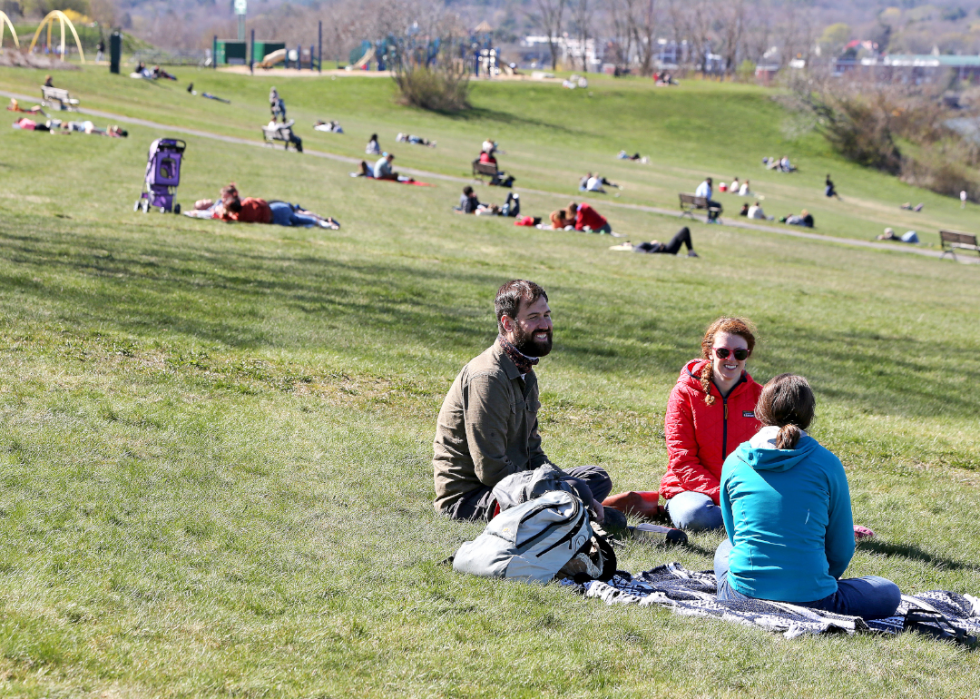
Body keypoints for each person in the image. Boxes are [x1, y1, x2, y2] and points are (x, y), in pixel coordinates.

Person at [714, 374, 901, 620]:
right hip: (815, 599)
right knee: (888, 592)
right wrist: (815, 582)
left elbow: (735, 534)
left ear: (759, 411)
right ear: (809, 415)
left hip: (741, 596)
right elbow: (842, 548)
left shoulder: (734, 462)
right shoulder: (827, 463)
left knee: (724, 549)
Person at [432, 280, 614, 522]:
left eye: (547, 315)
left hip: (514, 483)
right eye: (534, 317)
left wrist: (560, 483)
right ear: (508, 323)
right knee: (581, 493)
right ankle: (579, 511)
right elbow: (490, 469)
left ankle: (576, 510)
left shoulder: (524, 371)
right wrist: (557, 489)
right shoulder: (488, 377)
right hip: (472, 499)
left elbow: (533, 453)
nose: (545, 325)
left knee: (594, 477)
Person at [658, 317, 763, 531]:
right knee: (694, 515)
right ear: (709, 352)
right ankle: (754, 522)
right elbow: (682, 462)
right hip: (690, 491)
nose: (731, 359)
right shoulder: (684, 393)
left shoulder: (761, 397)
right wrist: (725, 496)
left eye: (740, 353)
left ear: (748, 355)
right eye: (723, 352)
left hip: (742, 491)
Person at [618, 226, 699, 257]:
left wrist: (654, 244)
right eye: (626, 243)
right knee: (685, 230)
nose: (628, 242)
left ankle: (691, 251)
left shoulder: (637, 246)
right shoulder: (636, 248)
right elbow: (649, 253)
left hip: (665, 248)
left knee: (685, 231)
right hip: (667, 250)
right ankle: (691, 251)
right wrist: (659, 246)